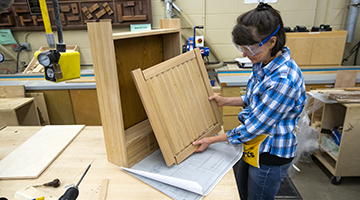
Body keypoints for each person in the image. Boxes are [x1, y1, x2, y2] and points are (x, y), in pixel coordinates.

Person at [192, 2, 307, 200]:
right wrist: (224, 101)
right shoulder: (264, 61)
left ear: (272, 42)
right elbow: (256, 99)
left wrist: (212, 140)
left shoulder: (283, 80)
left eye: (250, 48)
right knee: (242, 192)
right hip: (255, 145)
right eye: (241, 47)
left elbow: (254, 127)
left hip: (270, 153)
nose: (244, 54)